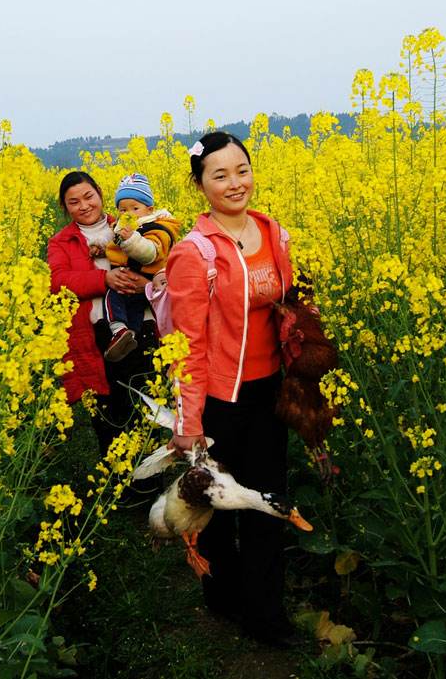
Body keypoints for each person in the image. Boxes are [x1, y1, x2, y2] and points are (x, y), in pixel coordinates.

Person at [165, 132, 298, 647]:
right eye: (219, 175)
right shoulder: (194, 253)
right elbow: (187, 344)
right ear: (200, 185)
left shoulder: (273, 232)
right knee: (219, 509)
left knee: (267, 505)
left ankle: (265, 615)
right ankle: (222, 595)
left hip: (271, 394)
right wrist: (188, 421)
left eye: (242, 170)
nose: (235, 183)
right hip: (221, 401)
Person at [47, 171, 150, 451]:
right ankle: (115, 476)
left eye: (88, 196)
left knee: (143, 409)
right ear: (65, 207)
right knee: (108, 417)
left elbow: (157, 260)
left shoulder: (130, 224)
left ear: (100, 193)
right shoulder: (61, 242)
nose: (84, 206)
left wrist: (147, 285)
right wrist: (104, 280)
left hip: (137, 328)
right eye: (74, 202)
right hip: (96, 336)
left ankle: (147, 475)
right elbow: (58, 281)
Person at [102, 173, 180, 362]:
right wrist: (98, 245)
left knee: (112, 297)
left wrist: (130, 239)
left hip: (149, 282)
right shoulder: (122, 226)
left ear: (149, 209)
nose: (128, 214)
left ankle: (118, 330)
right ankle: (129, 337)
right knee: (134, 311)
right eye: (123, 210)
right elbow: (110, 238)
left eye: (135, 208)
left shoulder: (158, 228)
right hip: (134, 283)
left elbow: (149, 253)